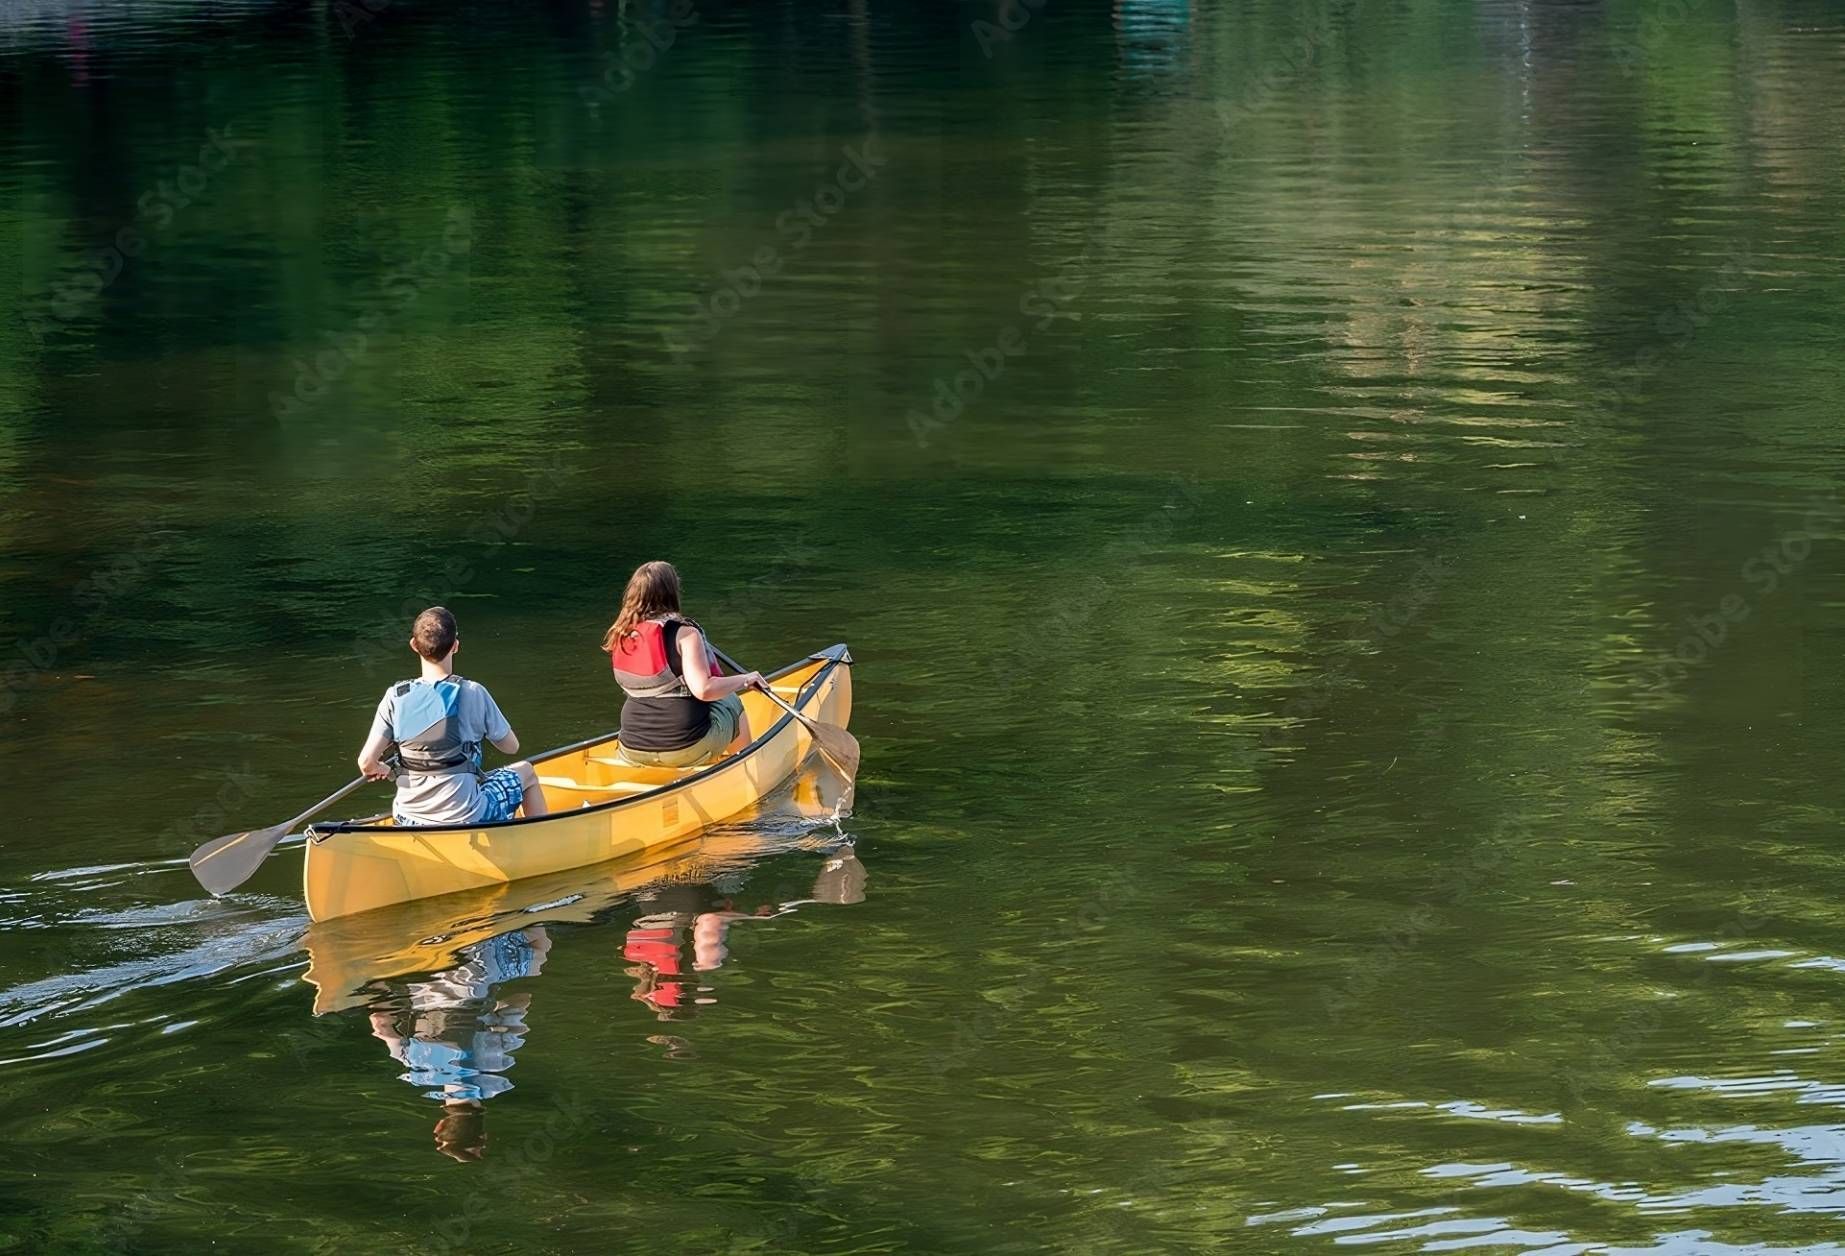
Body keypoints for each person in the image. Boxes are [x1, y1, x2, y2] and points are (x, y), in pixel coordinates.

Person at [356, 606, 549, 826]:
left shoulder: (395, 696)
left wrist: (383, 769)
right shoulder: (473, 692)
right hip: (466, 816)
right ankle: (537, 840)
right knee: (527, 771)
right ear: (455, 646)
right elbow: (511, 747)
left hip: (408, 818)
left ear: (413, 645)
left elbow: (366, 763)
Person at [602, 561, 767, 768]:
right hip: (686, 748)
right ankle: (748, 766)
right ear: (672, 592)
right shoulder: (685, 634)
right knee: (731, 701)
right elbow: (704, 690)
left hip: (631, 748)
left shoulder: (621, 634)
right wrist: (745, 680)